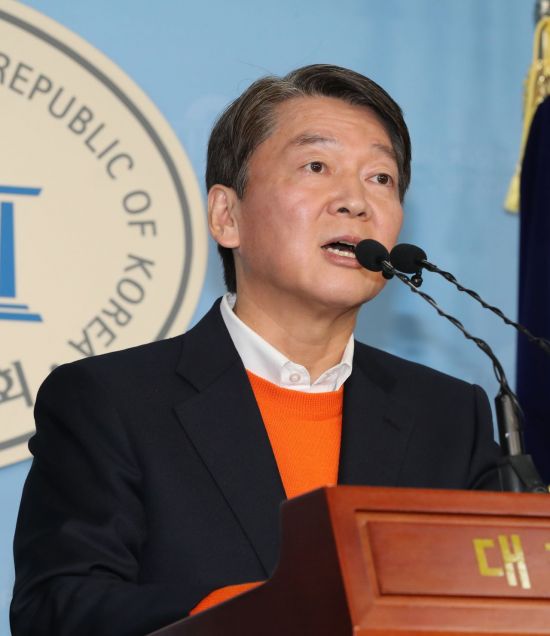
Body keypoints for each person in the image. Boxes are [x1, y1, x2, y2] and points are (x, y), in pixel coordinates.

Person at [11, 64, 501, 636]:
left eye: (381, 178)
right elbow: (57, 610)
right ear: (227, 216)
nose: (355, 201)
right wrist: (237, 614)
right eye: (316, 166)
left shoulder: (449, 417)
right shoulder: (111, 402)